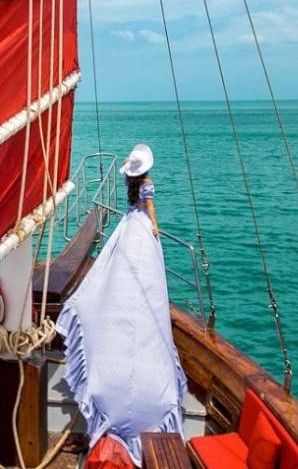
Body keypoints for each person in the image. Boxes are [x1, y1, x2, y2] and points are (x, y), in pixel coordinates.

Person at [56, 144, 186, 466]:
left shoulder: (130, 188)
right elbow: (151, 208)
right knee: (145, 286)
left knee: (115, 278)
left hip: (128, 226)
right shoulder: (146, 185)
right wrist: (155, 227)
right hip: (141, 226)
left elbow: (137, 205)